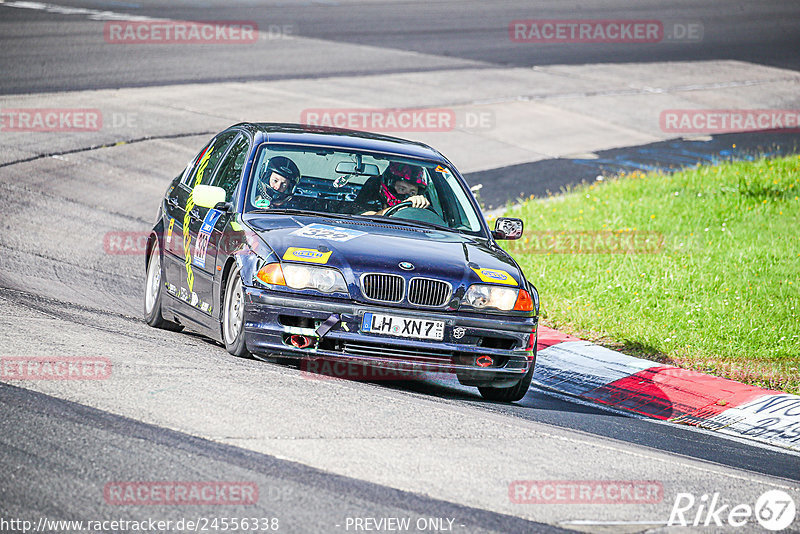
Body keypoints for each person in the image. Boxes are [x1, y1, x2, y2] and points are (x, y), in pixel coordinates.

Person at [352, 162, 430, 215]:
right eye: (402, 189)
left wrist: (421, 206)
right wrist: (399, 208)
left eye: (412, 193)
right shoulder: (371, 201)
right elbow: (365, 218)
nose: (408, 196)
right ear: (389, 186)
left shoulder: (419, 210)